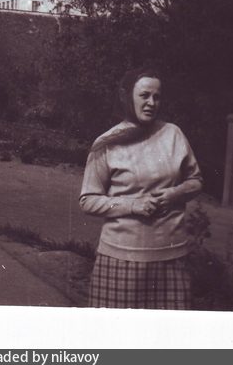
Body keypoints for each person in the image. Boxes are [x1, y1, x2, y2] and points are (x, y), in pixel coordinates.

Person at [79, 68, 202, 309]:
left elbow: (196, 180)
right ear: (128, 97)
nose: (151, 103)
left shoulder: (173, 134)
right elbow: (88, 200)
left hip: (171, 258)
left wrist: (174, 194)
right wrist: (132, 205)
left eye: (157, 97)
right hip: (120, 259)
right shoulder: (107, 143)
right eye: (144, 95)